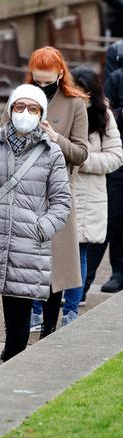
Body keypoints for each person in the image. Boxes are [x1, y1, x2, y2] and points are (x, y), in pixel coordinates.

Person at [0, 84, 71, 361]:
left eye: (33, 108)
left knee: (18, 319)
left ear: (41, 114)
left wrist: (40, 229)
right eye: (20, 107)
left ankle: (11, 373)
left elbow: (62, 202)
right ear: (10, 110)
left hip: (28, 246)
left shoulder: (52, 153)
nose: (25, 113)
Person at [16, 47, 89, 337]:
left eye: (48, 81)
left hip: (57, 194)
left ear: (60, 74)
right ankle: (20, 328)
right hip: (23, 193)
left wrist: (55, 137)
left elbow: (81, 153)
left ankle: (49, 328)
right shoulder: (20, 98)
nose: (42, 86)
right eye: (37, 79)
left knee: (55, 270)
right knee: (23, 266)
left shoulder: (75, 104)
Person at [61, 67, 123, 322]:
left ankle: (71, 310)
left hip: (89, 193)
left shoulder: (104, 117)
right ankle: (37, 311)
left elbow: (115, 157)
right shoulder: (61, 111)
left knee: (79, 253)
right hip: (60, 188)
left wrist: (83, 161)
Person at [86, 41, 123, 295]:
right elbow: (105, 109)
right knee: (113, 215)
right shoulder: (117, 55)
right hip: (118, 154)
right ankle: (91, 279)